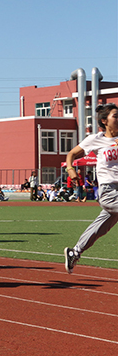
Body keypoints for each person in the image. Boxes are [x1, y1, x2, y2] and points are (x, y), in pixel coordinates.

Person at [63, 103, 118, 273]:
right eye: (115, 116)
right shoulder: (96, 139)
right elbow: (71, 154)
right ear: (104, 121)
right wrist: (71, 170)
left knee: (101, 227)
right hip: (109, 190)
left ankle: (75, 252)